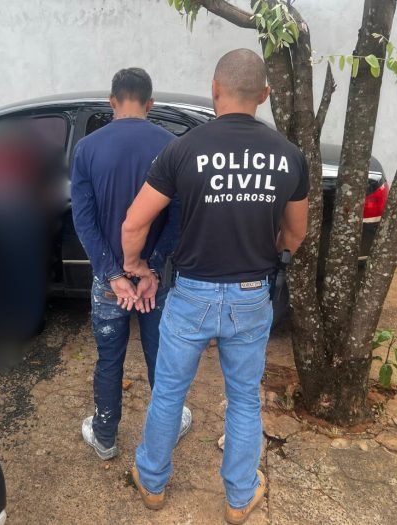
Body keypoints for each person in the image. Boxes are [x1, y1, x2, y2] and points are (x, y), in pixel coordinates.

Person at [121, 50, 309, 524]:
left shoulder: (183, 150)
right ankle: (239, 497)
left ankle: (153, 483)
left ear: (214, 89)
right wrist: (270, 252)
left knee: (169, 393)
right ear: (264, 95)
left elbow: (134, 223)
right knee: (244, 398)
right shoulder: (289, 156)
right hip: (251, 294)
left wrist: (135, 265)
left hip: (191, 295)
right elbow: (296, 234)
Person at [71, 67, 192, 461]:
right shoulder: (172, 146)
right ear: (150, 103)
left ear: (112, 102)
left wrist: (111, 273)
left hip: (112, 283)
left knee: (110, 359)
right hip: (155, 282)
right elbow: (178, 218)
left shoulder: (87, 148)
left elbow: (83, 220)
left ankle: (105, 436)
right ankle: (167, 429)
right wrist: (152, 268)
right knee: (161, 355)